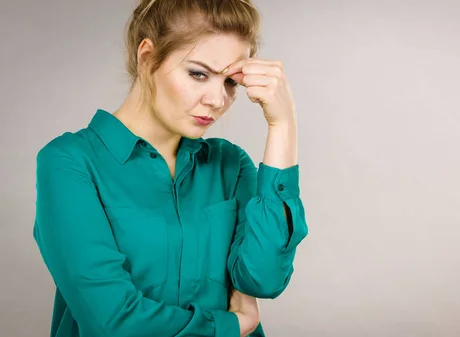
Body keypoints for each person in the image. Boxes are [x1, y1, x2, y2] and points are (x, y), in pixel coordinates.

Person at [32, 0, 308, 336]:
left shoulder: (230, 164)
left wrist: (283, 124)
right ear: (147, 56)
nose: (217, 100)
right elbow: (112, 321)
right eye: (198, 74)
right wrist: (230, 326)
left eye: (230, 82)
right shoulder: (69, 162)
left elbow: (265, 279)